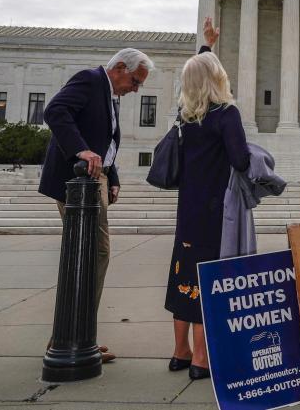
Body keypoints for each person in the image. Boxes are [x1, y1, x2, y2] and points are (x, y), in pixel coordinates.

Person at [39, 47, 153, 364]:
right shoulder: (89, 80)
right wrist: (81, 152)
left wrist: (111, 175)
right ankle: (70, 338)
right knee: (91, 255)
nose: (136, 88)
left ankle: (79, 335)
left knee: (94, 255)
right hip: (75, 185)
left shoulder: (108, 94)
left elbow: (106, 141)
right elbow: (55, 112)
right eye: (135, 80)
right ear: (118, 67)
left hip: (94, 182)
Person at [165, 20, 250, 381]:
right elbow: (241, 160)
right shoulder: (226, 115)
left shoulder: (184, 116)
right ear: (219, 79)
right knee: (208, 279)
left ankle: (179, 351)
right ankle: (202, 358)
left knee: (183, 275)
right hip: (216, 212)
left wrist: (206, 48)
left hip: (188, 209)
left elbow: (198, 76)